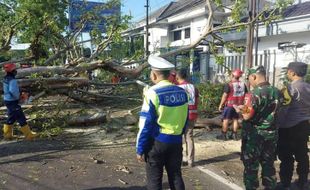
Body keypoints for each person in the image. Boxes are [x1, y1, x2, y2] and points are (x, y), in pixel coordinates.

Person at [136, 55, 188, 190]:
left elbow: (145, 124)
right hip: (176, 142)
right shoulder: (183, 93)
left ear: (153, 75)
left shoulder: (152, 93)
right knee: (176, 176)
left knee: (154, 180)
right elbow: (185, 118)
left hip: (157, 143)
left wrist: (140, 148)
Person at [236, 65, 280, 190]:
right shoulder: (277, 91)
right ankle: (270, 186)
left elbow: (247, 116)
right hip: (272, 134)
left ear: (253, 76)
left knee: (251, 166)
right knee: (268, 164)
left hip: (255, 136)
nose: (249, 81)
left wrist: (240, 109)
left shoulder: (254, 94)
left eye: (249, 78)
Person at [276, 62, 310, 190]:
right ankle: (303, 181)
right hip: (304, 126)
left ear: (293, 73)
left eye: (288, 71)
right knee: (302, 154)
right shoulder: (308, 87)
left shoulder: (289, 89)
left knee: (286, 156)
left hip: (289, 128)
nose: (287, 73)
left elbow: (283, 110)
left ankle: (285, 183)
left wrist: (277, 125)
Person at [2, 63, 38, 140]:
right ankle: (29, 135)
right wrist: (19, 97)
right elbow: (13, 91)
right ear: (12, 71)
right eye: (15, 70)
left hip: (7, 100)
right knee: (21, 116)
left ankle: (7, 135)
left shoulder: (5, 78)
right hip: (12, 101)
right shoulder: (12, 80)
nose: (16, 71)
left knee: (11, 117)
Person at [175, 68, 199, 168]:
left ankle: (179, 160)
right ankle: (191, 161)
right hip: (192, 114)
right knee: (189, 137)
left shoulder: (177, 88)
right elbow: (197, 101)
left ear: (177, 77)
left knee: (178, 138)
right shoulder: (193, 87)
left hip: (180, 115)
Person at [217, 69, 247, 140]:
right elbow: (246, 95)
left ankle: (224, 135)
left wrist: (221, 104)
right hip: (239, 105)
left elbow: (224, 96)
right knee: (236, 119)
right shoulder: (243, 84)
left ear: (232, 75)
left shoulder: (229, 84)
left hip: (230, 105)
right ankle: (234, 135)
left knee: (226, 119)